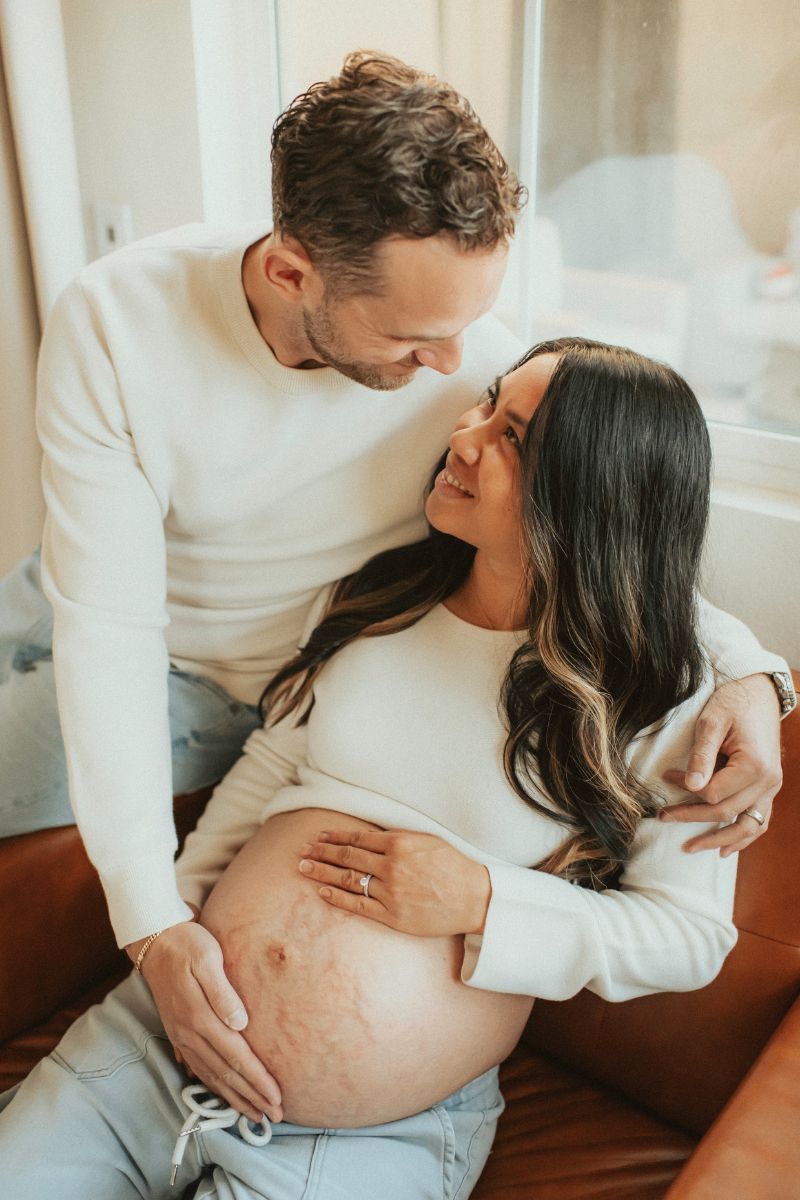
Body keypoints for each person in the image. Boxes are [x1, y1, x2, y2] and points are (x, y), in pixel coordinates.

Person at [0, 53, 792, 1123]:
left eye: (472, 329)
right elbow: (109, 629)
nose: (453, 366)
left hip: (267, 678)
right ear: (290, 271)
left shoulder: (469, 367)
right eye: (414, 337)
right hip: (115, 634)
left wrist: (750, 676)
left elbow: (608, 541)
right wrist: (153, 924)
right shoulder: (117, 320)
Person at [0, 338, 767, 1197]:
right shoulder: (380, 597)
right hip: (160, 1038)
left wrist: (484, 898)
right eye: (486, 402)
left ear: (591, 496)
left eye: (512, 436)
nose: (465, 437)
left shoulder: (661, 704)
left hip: (377, 1134)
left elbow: (691, 939)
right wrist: (175, 940)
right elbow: (271, 765)